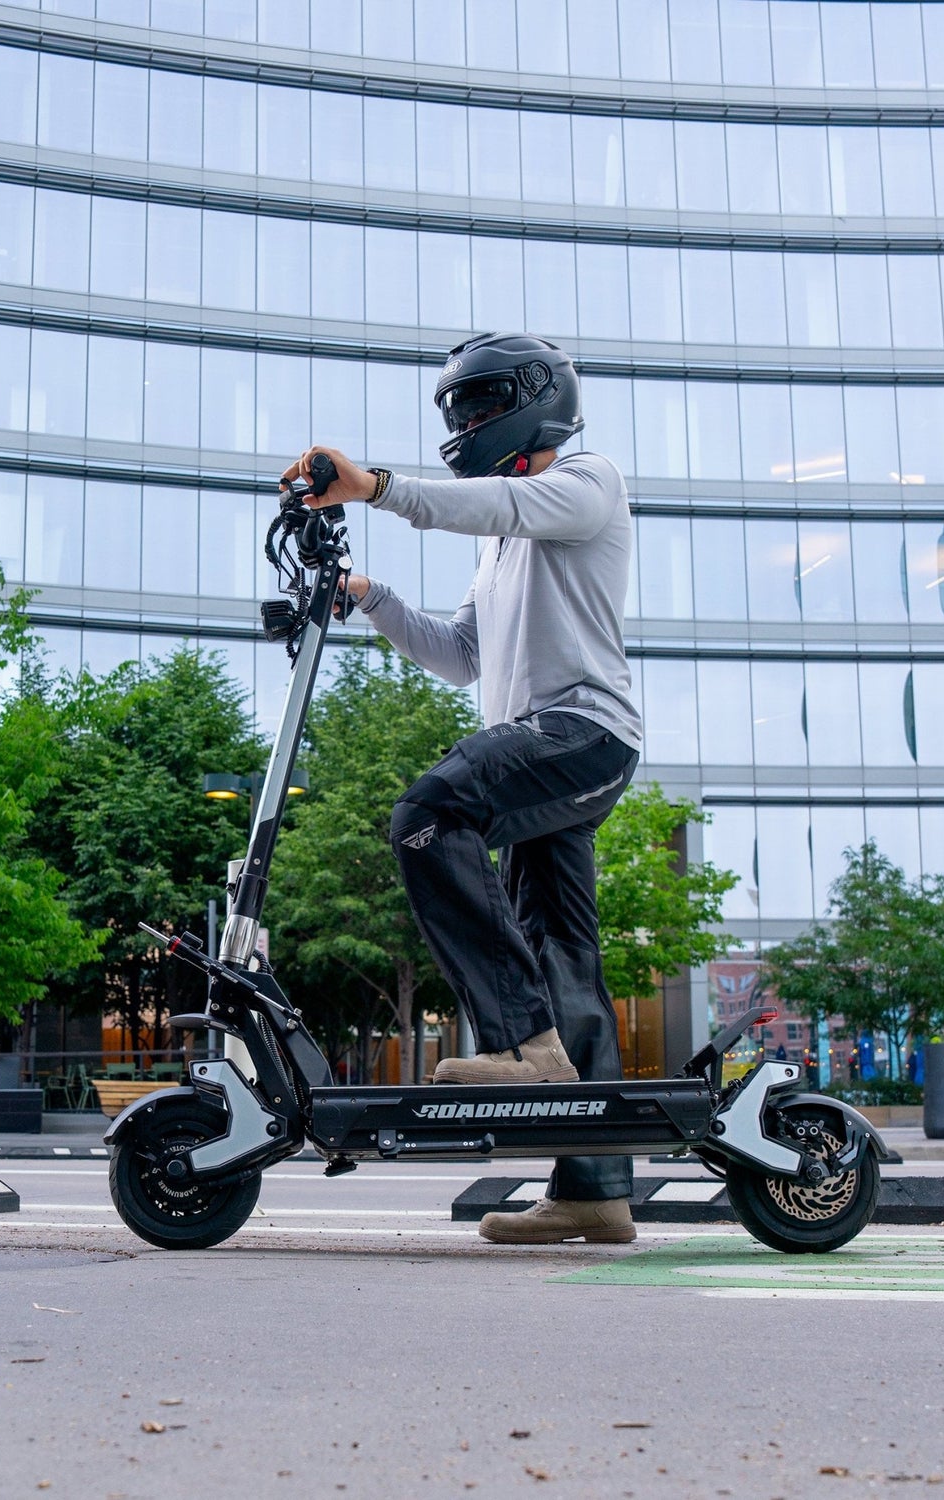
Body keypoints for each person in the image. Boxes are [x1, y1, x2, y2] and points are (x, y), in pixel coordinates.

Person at [284, 332, 642, 1247]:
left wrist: (378, 489)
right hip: (537, 752)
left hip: (580, 732)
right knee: (567, 955)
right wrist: (368, 596)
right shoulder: (501, 547)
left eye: (479, 407)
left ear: (532, 402)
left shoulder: (587, 482)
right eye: (459, 412)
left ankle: (523, 1045)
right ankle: (594, 1188)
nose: (467, 424)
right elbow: (461, 656)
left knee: (426, 815)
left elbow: (503, 503)